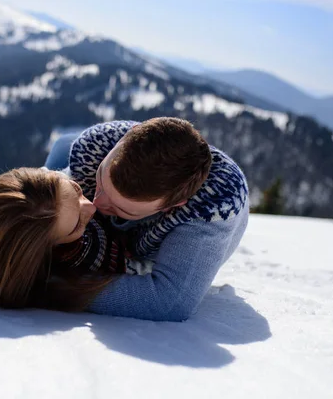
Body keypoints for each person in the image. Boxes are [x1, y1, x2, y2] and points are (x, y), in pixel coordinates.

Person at [44, 117, 249, 321]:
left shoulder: (211, 211)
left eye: (122, 208)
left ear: (171, 207)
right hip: (75, 151)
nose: (95, 203)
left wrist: (50, 286)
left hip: (135, 249)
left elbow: (169, 301)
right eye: (100, 180)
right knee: (62, 148)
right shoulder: (96, 148)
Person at [0, 167, 131, 311]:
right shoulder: (69, 279)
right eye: (77, 224)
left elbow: (63, 147)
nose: (92, 206)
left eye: (76, 190)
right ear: (46, 250)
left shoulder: (59, 187)